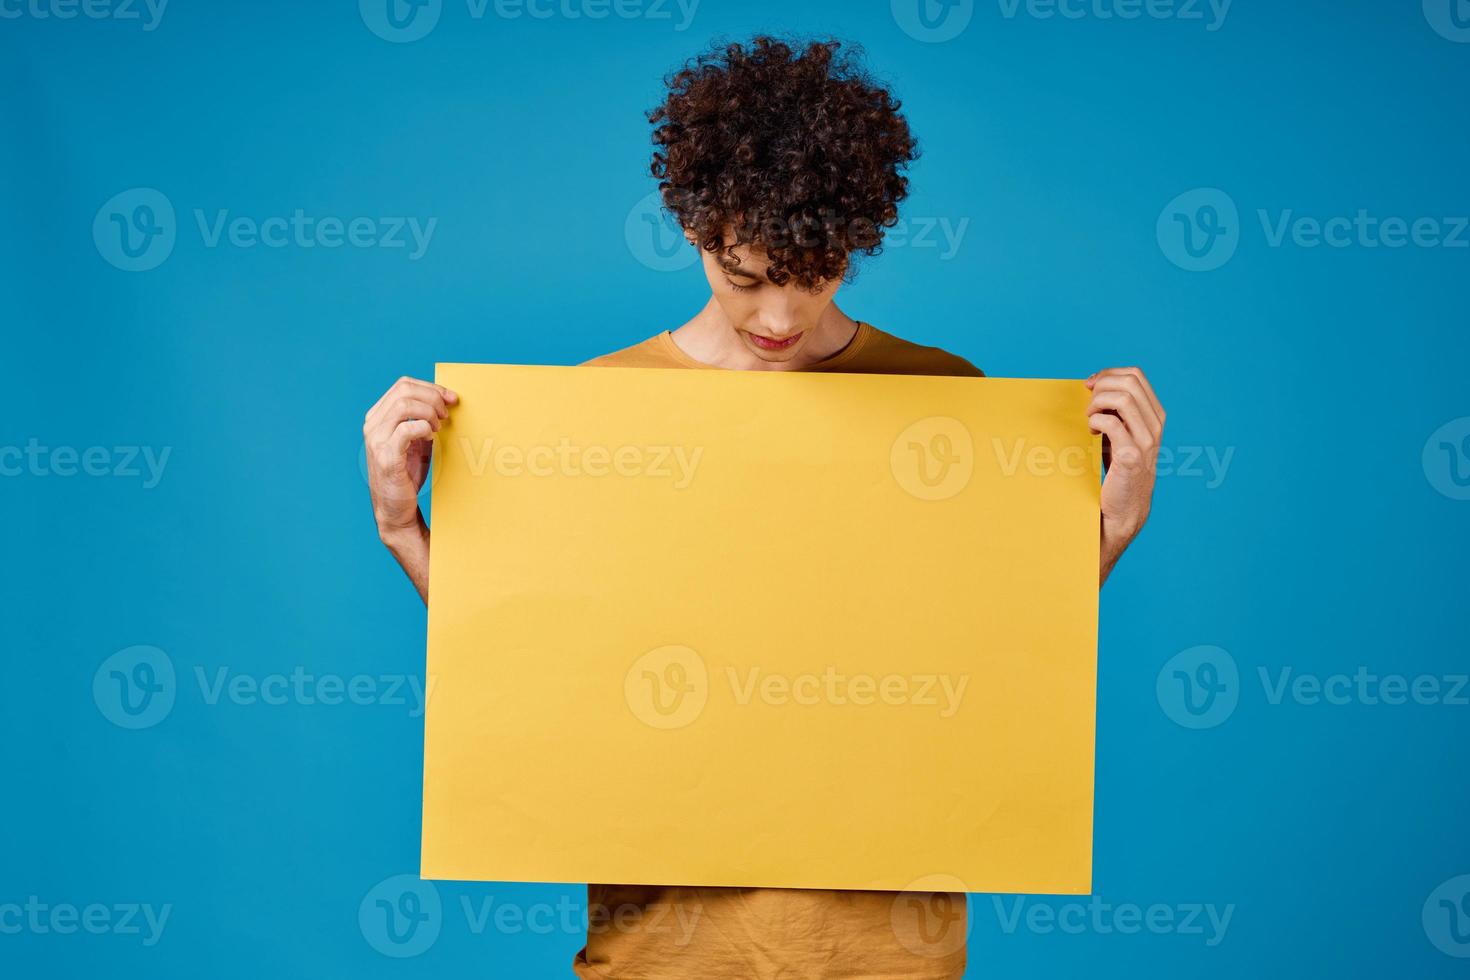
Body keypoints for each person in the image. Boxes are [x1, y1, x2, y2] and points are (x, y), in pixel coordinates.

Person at [362, 35, 1164, 980]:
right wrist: (403, 528)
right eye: (744, 275)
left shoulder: (943, 400)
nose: (779, 316)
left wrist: (1107, 529)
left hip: (890, 954)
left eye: (815, 274)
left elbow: (994, 660)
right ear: (694, 228)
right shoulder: (593, 412)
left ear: (857, 243)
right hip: (662, 951)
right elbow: (531, 669)